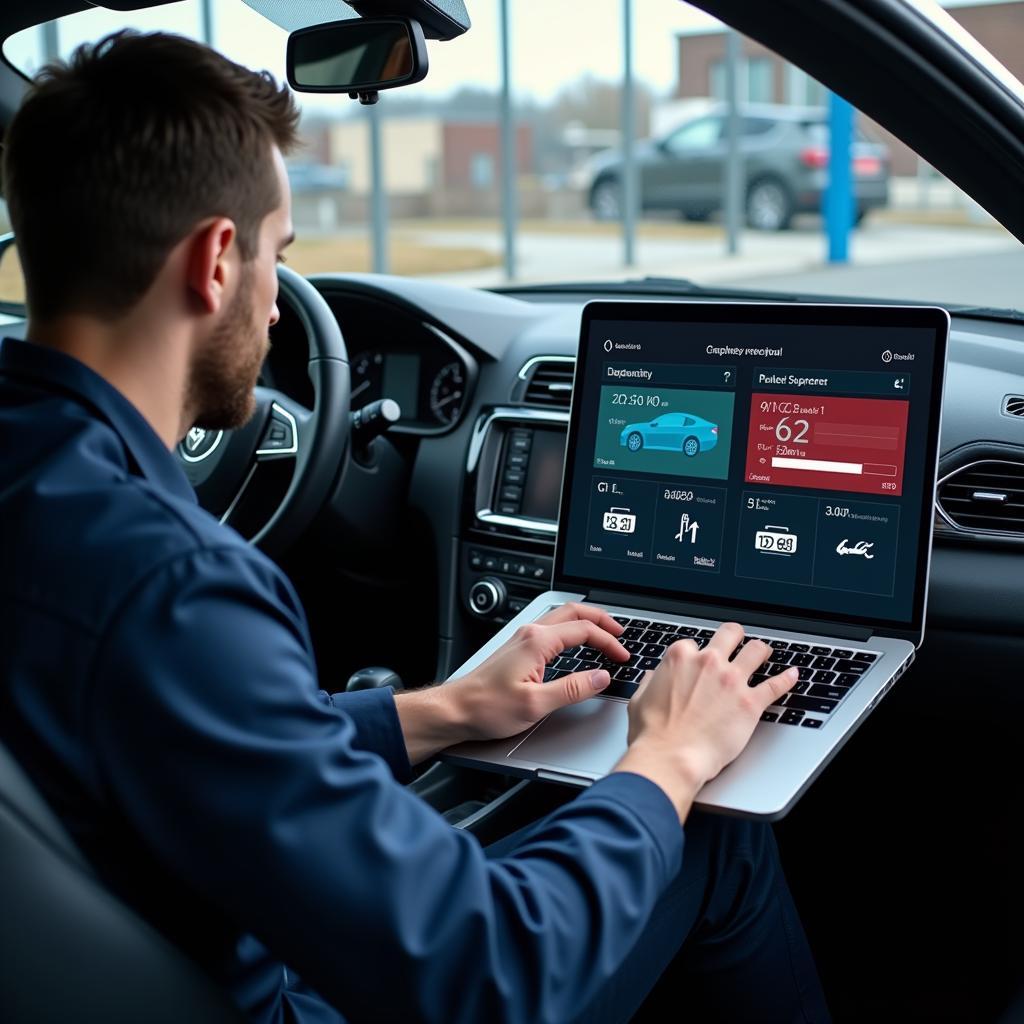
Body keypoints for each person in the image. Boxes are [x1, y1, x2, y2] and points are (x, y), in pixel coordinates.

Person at [0, 31, 830, 1024]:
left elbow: (188, 735)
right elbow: (495, 975)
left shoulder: (39, 485)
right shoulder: (175, 589)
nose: (276, 309)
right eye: (280, 256)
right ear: (218, 261)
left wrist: (444, 710)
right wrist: (667, 757)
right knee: (708, 831)